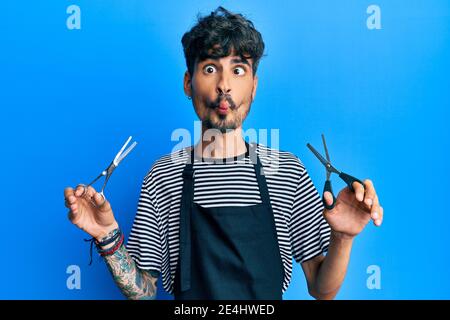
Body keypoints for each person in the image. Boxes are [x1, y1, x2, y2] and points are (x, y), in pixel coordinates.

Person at [64, 6, 383, 300]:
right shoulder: (164, 176)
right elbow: (144, 291)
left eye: (239, 69)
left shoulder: (286, 171)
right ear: (188, 83)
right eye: (210, 67)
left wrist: (343, 237)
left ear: (255, 86)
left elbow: (321, 288)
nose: (224, 85)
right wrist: (107, 235)